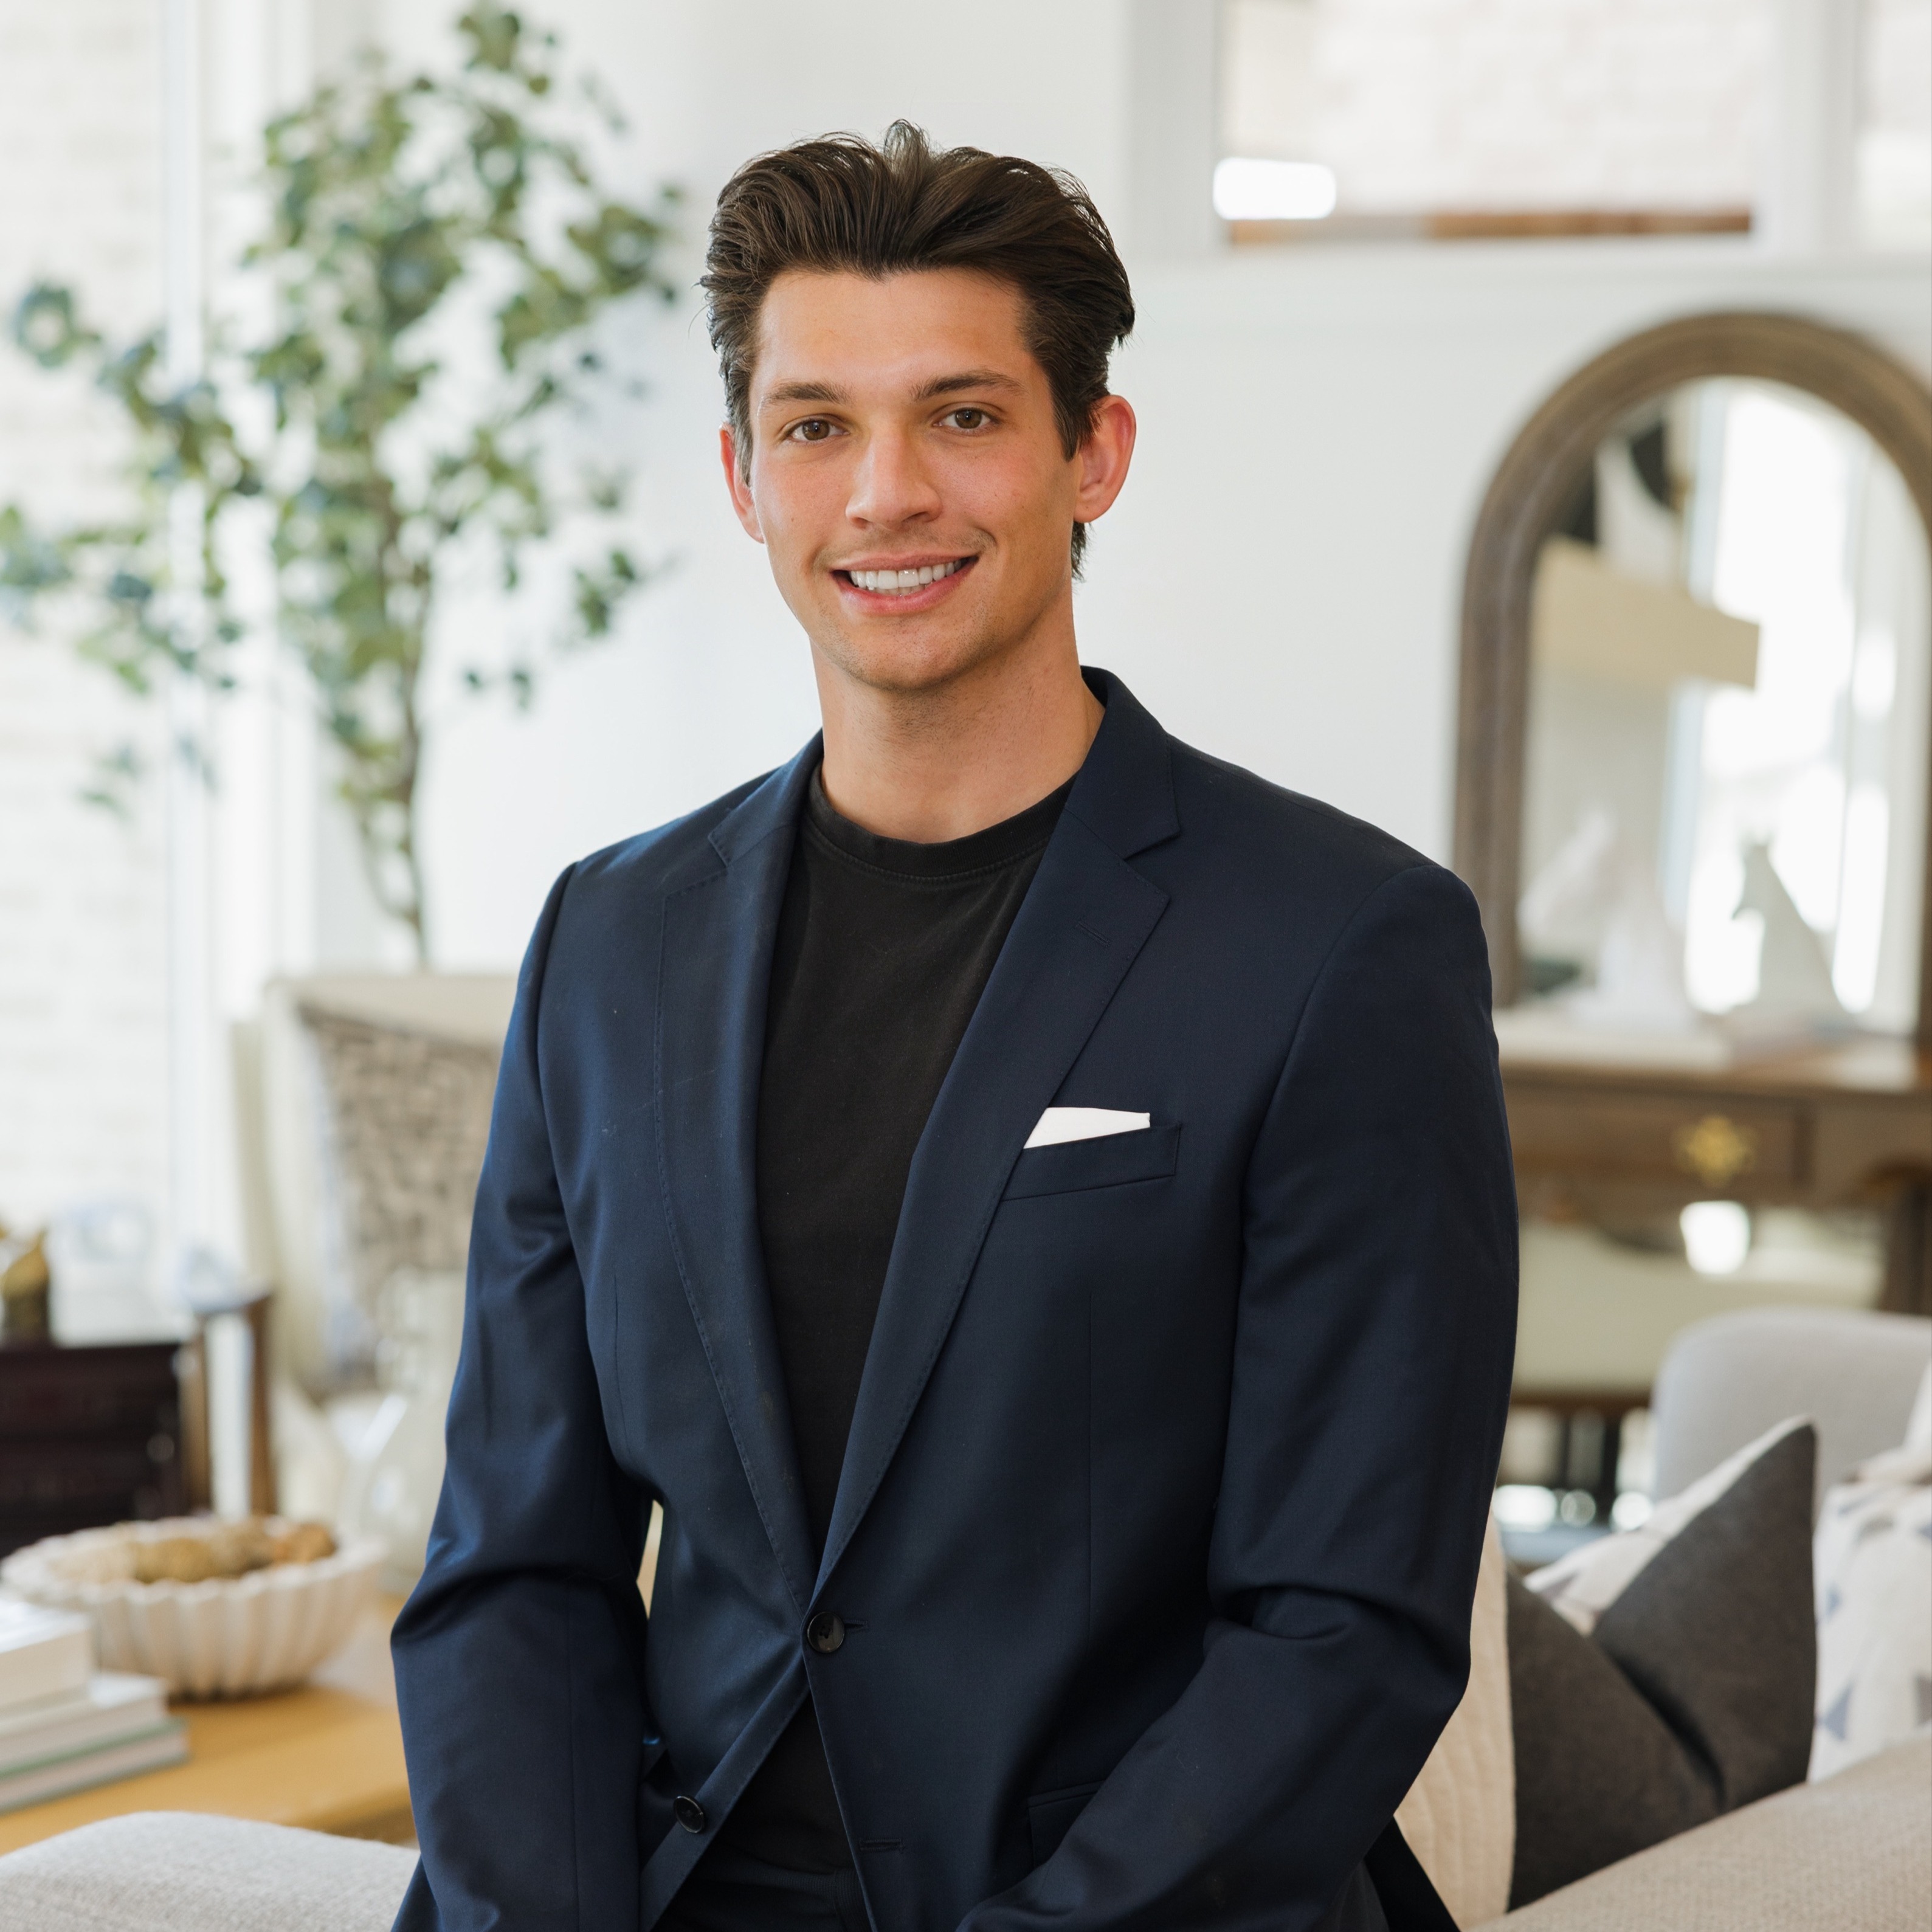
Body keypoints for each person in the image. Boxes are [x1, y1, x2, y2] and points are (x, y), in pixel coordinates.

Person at [392, 121, 1517, 1932]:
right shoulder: (608, 939)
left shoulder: (1342, 948)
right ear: (744, 476)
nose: (885, 491)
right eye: (817, 423)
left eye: (965, 416)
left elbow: (1340, 1626)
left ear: (1094, 454)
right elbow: (511, 1567)